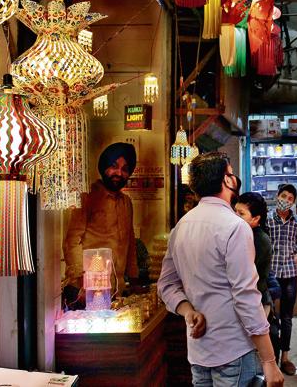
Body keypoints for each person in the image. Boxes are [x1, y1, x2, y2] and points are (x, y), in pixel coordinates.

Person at [157, 153, 284, 387]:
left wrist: (187, 312)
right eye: (231, 172)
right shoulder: (235, 227)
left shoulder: (181, 227)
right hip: (233, 349)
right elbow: (246, 296)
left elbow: (166, 285)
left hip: (198, 351)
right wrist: (268, 360)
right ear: (227, 181)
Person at [62, 142, 139, 307]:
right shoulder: (87, 197)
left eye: (125, 169)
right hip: (85, 291)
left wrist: (133, 278)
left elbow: (130, 242)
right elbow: (72, 241)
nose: (119, 173)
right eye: (114, 166)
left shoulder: (126, 202)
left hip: (115, 289)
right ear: (104, 167)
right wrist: (82, 279)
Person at [266, 184, 297, 375]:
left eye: (290, 199)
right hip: (271, 274)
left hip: (291, 274)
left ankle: (285, 357)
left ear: (293, 202)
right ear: (277, 197)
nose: (286, 201)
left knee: (287, 317)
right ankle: (270, 358)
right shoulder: (266, 220)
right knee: (269, 316)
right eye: (284, 196)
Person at [235, 192, 273, 316]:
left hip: (255, 304)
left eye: (241, 214)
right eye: (235, 211)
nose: (235, 216)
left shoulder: (259, 240)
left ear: (256, 219)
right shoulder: (243, 234)